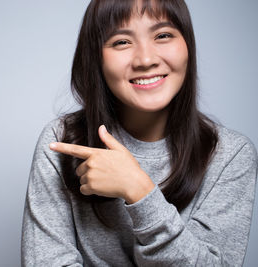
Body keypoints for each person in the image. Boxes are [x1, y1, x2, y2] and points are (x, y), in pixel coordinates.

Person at [21, 0, 258, 266]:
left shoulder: (229, 154)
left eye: (163, 35)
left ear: (187, 46)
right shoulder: (62, 141)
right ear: (95, 57)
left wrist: (139, 190)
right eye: (121, 41)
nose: (146, 59)